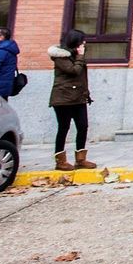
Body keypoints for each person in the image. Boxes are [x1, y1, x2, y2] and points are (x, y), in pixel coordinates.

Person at [48, 29, 94, 171]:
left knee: (83, 126)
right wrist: (80, 56)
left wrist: (86, 94)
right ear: (75, 42)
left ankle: (80, 159)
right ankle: (60, 161)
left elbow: (81, 77)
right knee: (63, 128)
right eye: (82, 41)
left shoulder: (75, 56)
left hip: (78, 97)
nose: (84, 44)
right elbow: (74, 71)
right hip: (63, 98)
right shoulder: (61, 56)